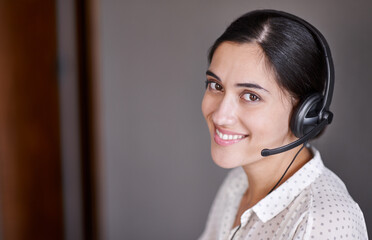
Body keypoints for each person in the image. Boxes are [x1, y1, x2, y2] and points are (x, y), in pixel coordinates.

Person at [199, 10, 368, 239]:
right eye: (216, 86)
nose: (220, 117)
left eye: (251, 96)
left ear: (305, 112)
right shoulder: (238, 182)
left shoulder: (322, 222)